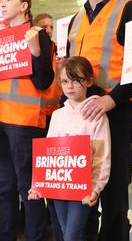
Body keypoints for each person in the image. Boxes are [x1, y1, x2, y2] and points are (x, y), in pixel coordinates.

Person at [67, 0, 132, 241]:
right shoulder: (76, 20)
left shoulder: (128, 10)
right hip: (81, 115)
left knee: (113, 193)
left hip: (115, 110)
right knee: (82, 188)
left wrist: (111, 99)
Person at [0, 0, 60, 241]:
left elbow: (44, 81)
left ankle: (35, 237)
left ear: (24, 7)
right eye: (1, 1)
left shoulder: (37, 36)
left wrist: (34, 52)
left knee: (28, 188)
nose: (2, 4)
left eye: (8, 0)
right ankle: (5, 236)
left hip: (25, 122)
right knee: (4, 187)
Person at [29, 56, 111, 241]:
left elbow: (101, 157)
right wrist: (38, 185)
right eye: (65, 81)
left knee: (72, 236)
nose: (70, 86)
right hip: (58, 187)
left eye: (77, 80)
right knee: (65, 235)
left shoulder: (96, 116)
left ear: (89, 81)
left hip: (82, 189)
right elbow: (47, 155)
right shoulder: (58, 115)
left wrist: (95, 189)